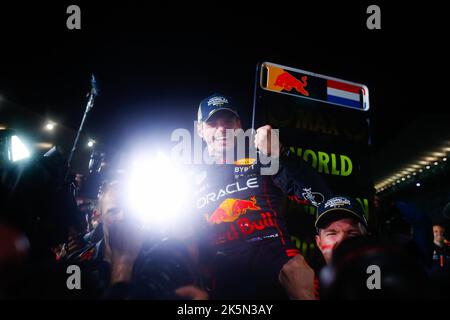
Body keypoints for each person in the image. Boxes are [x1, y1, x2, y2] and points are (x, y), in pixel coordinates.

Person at [193, 93, 331, 299]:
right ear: (200, 129)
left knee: (294, 268)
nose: (222, 129)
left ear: (238, 125)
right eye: (212, 123)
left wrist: (281, 153)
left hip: (274, 256)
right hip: (223, 268)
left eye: (228, 121)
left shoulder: (261, 158)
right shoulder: (190, 179)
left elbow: (320, 198)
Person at [70, 180, 207, 299]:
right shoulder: (77, 266)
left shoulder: (161, 260)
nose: (123, 217)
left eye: (129, 210)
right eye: (113, 211)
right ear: (98, 215)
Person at [279, 196, 368, 299]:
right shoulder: (307, 283)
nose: (341, 240)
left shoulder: (378, 278)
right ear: (319, 242)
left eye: (352, 233)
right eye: (332, 233)